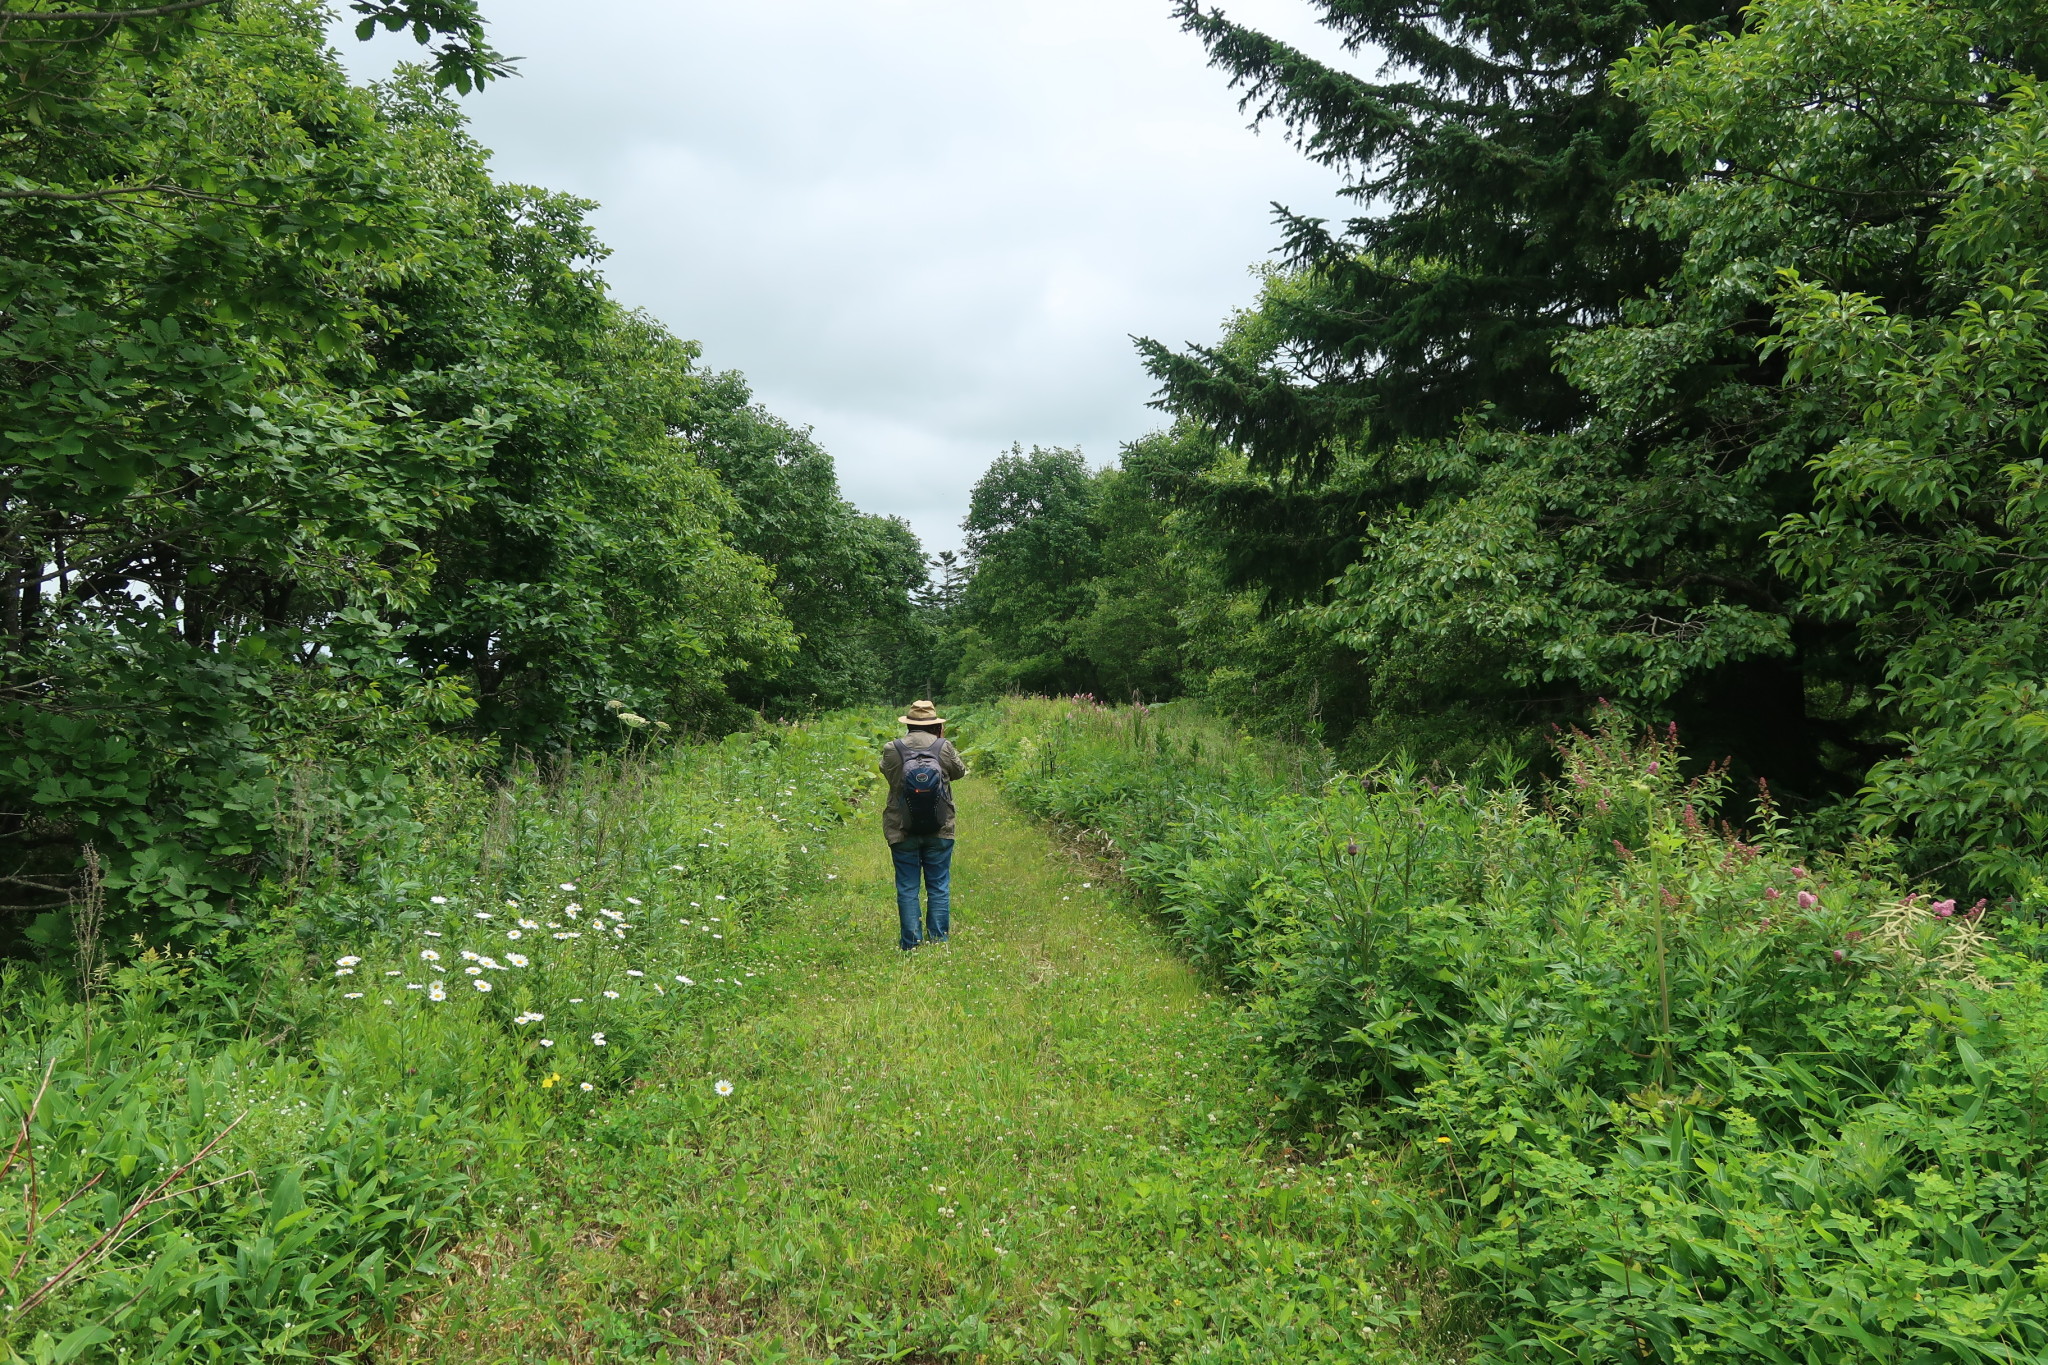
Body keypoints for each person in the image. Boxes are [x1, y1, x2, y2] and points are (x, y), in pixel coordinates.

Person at [880, 700, 966, 951]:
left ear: (908, 724)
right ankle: (939, 940)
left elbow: (888, 773)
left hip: (901, 827)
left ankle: (911, 942)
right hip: (940, 827)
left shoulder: (892, 748)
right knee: (938, 884)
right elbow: (960, 772)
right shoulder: (944, 746)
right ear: (936, 725)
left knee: (907, 886)